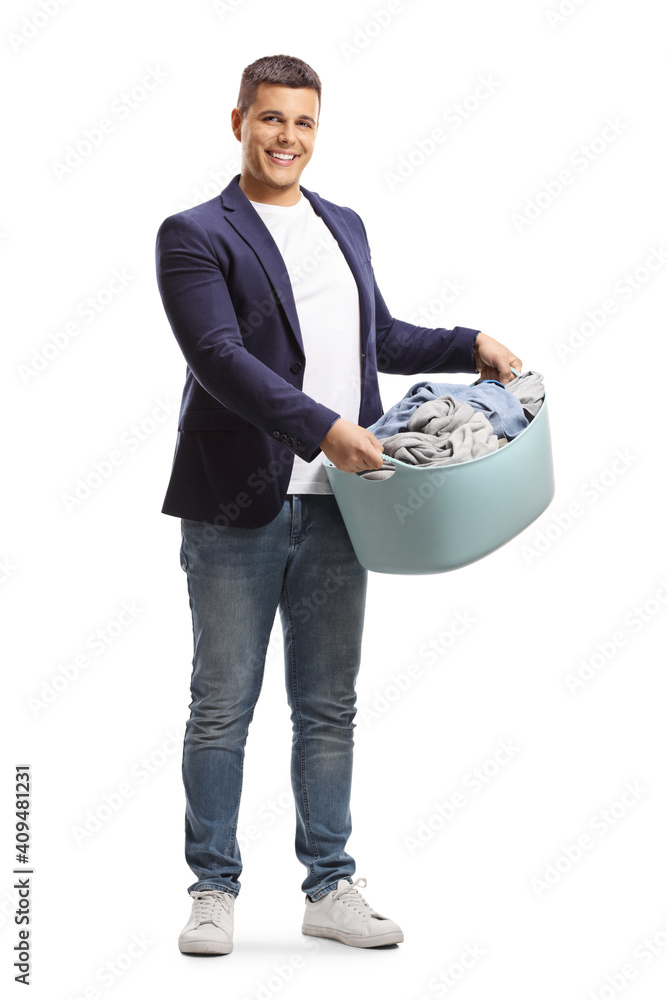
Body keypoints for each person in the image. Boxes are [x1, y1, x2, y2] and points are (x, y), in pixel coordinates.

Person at [155, 53, 522, 956]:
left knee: (328, 704)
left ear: (318, 131)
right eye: (270, 119)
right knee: (221, 705)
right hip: (235, 504)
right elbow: (219, 355)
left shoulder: (342, 225)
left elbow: (377, 335)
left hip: (341, 507)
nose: (287, 138)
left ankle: (329, 885)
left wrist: (465, 340)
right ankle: (212, 888)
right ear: (236, 121)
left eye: (304, 123)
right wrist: (324, 428)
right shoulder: (194, 232)